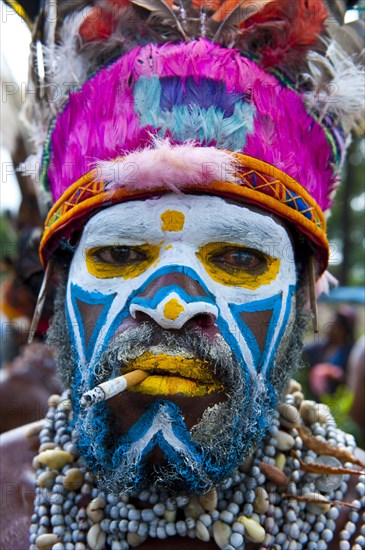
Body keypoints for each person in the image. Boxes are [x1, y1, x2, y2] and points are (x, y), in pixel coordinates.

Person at [0, 0, 364, 549]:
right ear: (59, 287)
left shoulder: (349, 517)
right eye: (120, 254)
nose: (171, 305)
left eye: (239, 258)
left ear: (303, 297)